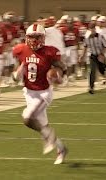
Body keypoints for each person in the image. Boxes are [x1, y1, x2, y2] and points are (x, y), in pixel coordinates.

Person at [12, 23, 68, 164]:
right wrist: (16, 74)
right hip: (29, 92)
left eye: (37, 37)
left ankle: (49, 138)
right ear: (26, 37)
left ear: (43, 38)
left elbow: (62, 68)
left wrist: (58, 76)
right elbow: (17, 70)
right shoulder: (20, 50)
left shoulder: (50, 52)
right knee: (43, 126)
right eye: (32, 37)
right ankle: (61, 148)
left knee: (28, 118)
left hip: (44, 92)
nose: (34, 40)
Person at [80, 23, 106, 94]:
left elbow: (105, 46)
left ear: (95, 29)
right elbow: (85, 47)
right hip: (92, 55)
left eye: (93, 29)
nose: (92, 30)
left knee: (101, 69)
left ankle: (105, 76)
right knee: (92, 70)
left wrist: (102, 54)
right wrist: (82, 56)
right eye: (91, 29)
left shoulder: (100, 36)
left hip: (100, 54)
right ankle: (91, 87)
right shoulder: (87, 38)